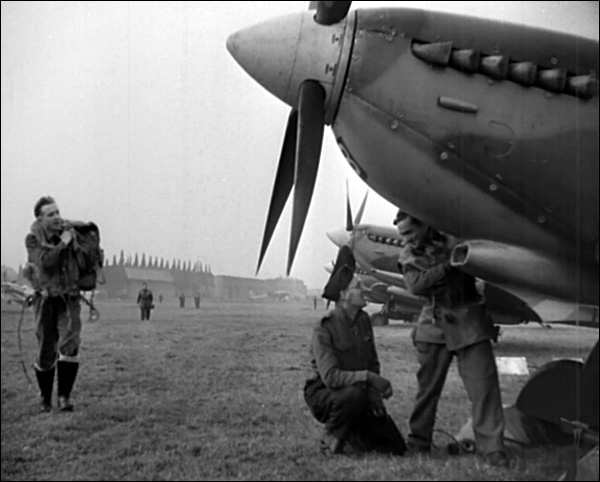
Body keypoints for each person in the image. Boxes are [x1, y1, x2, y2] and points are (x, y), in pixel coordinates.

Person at [394, 209, 508, 467]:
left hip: (469, 320)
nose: (407, 240)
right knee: (427, 391)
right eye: (403, 235)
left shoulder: (455, 238)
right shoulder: (409, 254)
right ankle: (418, 442)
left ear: (424, 225)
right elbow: (415, 284)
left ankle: (492, 448)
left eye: (410, 232)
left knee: (484, 386)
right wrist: (449, 265)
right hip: (434, 324)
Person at [304, 245, 406, 456]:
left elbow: (372, 363)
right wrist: (369, 379)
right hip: (325, 394)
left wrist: (375, 395)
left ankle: (353, 436)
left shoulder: (363, 322)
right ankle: (330, 440)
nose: (364, 290)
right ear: (345, 295)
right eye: (358, 286)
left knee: (395, 447)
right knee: (353, 395)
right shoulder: (325, 328)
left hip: (360, 391)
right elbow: (331, 378)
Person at [24, 196, 87, 413]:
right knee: (45, 351)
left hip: (69, 299)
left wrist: (81, 241)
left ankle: (64, 398)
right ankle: (45, 398)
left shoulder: (70, 234)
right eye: (50, 214)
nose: (57, 217)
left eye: (58, 212)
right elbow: (45, 263)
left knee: (70, 344)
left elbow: (84, 261)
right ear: (40, 219)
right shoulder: (32, 240)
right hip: (44, 300)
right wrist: (63, 244)